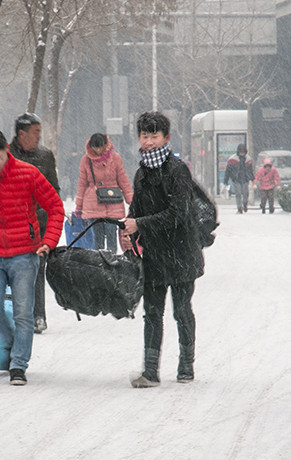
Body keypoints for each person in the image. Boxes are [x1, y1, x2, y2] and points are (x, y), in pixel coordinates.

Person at [0, 129, 64, 386]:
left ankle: (18, 364)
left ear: (7, 148)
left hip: (24, 255)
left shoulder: (28, 174)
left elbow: (55, 207)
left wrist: (48, 242)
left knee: (23, 313)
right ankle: (11, 345)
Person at [120, 112, 204, 388]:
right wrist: (128, 230)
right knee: (153, 312)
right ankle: (151, 371)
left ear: (166, 138)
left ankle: (186, 364)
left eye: (154, 136)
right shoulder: (141, 173)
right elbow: (136, 210)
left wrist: (140, 223)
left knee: (182, 310)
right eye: (144, 136)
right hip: (155, 254)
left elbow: (178, 214)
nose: (148, 142)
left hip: (181, 252)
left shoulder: (178, 170)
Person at [9, 112, 60, 334]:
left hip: (39, 225)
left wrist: (47, 214)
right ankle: (14, 313)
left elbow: (54, 189)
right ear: (22, 134)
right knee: (12, 271)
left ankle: (38, 315)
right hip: (12, 225)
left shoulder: (45, 156)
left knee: (37, 269)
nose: (39, 137)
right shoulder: (6, 156)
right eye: (35, 132)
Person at [74, 133, 133, 252]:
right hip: (93, 203)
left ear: (105, 145)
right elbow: (82, 183)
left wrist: (131, 200)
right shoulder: (86, 160)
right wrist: (79, 205)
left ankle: (112, 265)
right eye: (95, 147)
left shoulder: (115, 158)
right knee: (98, 238)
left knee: (112, 234)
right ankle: (100, 265)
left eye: (100, 146)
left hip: (113, 202)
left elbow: (123, 179)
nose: (98, 150)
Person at [224, 143, 253, 214]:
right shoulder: (232, 159)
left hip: (245, 179)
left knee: (246, 193)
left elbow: (250, 170)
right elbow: (228, 170)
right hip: (236, 179)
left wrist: (252, 178)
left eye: (243, 151)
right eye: (240, 151)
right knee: (238, 193)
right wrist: (226, 179)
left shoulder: (248, 159)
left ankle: (245, 204)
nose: (242, 153)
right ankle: (239, 208)